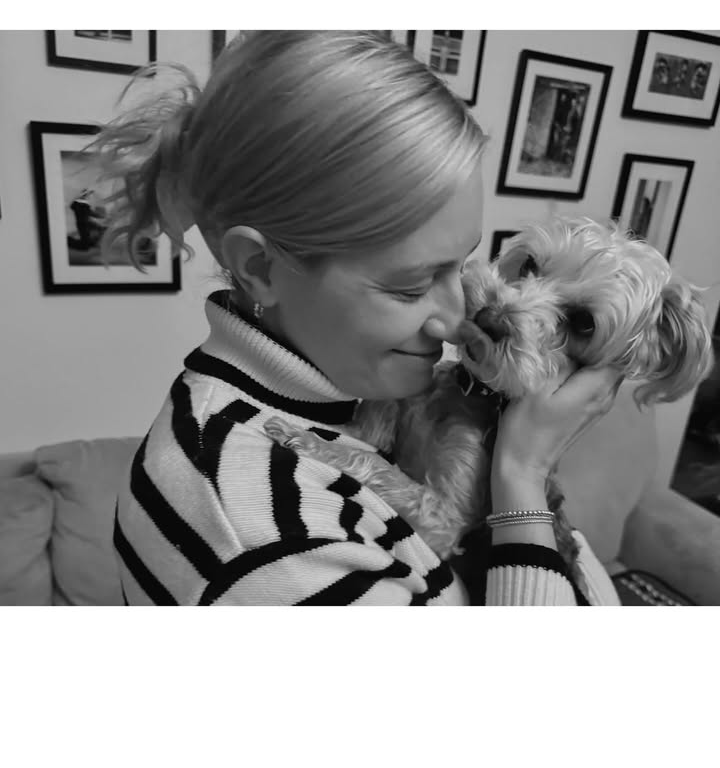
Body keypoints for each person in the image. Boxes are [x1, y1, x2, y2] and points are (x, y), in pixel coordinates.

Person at [97, 30, 623, 606]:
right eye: (411, 284)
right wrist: (521, 478)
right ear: (261, 269)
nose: (456, 321)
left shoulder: (345, 391)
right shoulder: (260, 535)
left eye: (464, 262)